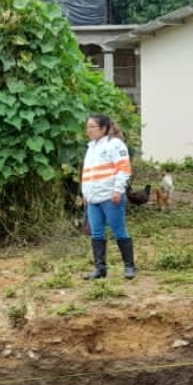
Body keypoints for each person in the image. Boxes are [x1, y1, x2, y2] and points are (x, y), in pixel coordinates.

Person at [80, 113, 136, 280]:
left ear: (103, 129)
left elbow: (123, 169)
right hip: (93, 198)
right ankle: (100, 269)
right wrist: (85, 193)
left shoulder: (115, 145)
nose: (88, 130)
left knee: (119, 230)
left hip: (110, 197)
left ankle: (129, 267)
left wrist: (118, 190)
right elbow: (87, 173)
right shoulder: (91, 147)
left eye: (92, 127)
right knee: (96, 233)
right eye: (87, 127)